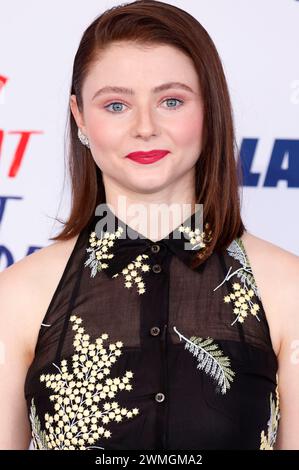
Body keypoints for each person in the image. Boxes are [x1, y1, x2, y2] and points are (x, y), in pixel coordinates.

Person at [0, 0, 298, 450]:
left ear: (209, 110)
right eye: (117, 105)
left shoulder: (287, 289)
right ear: (80, 117)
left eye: (171, 101)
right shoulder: (17, 297)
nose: (145, 127)